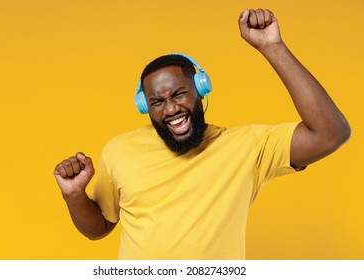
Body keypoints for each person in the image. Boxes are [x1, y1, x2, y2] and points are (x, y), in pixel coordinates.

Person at [54, 9, 351, 259]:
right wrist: (75, 195)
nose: (170, 109)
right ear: (145, 106)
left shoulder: (249, 146)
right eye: (157, 101)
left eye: (179, 94)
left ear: (201, 89)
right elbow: (99, 228)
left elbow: (330, 134)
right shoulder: (119, 151)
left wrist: (273, 47)